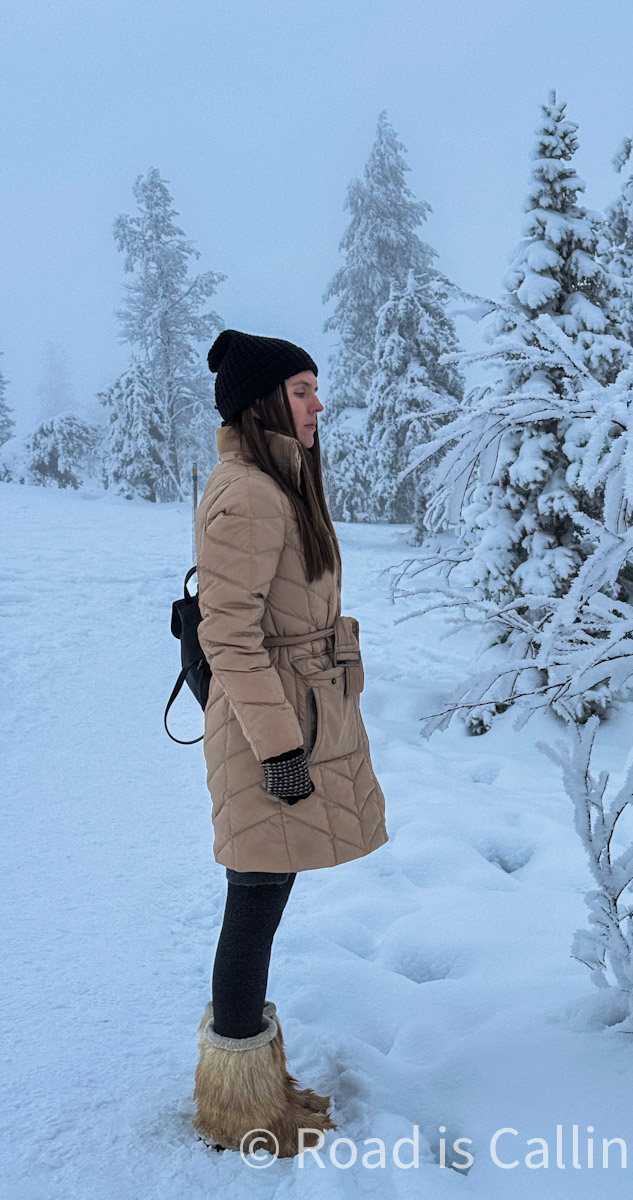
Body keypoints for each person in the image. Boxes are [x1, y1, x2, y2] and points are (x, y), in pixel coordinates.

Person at [191, 329, 389, 1158]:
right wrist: (278, 750)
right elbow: (229, 637)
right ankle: (239, 1108)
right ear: (265, 401)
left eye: (315, 388)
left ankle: (253, 1088)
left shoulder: (279, 483)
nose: (317, 404)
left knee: (264, 894)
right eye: (302, 390)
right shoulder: (249, 494)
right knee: (255, 898)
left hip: (295, 712)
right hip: (267, 727)